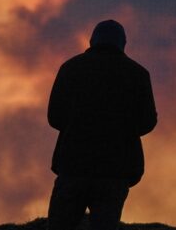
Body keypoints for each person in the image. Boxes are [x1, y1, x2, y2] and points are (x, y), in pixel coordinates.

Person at [47, 19, 158, 230]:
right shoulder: (137, 74)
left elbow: (54, 117)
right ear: (123, 43)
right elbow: (147, 122)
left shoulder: (70, 68)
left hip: (73, 165)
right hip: (115, 170)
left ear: (92, 41)